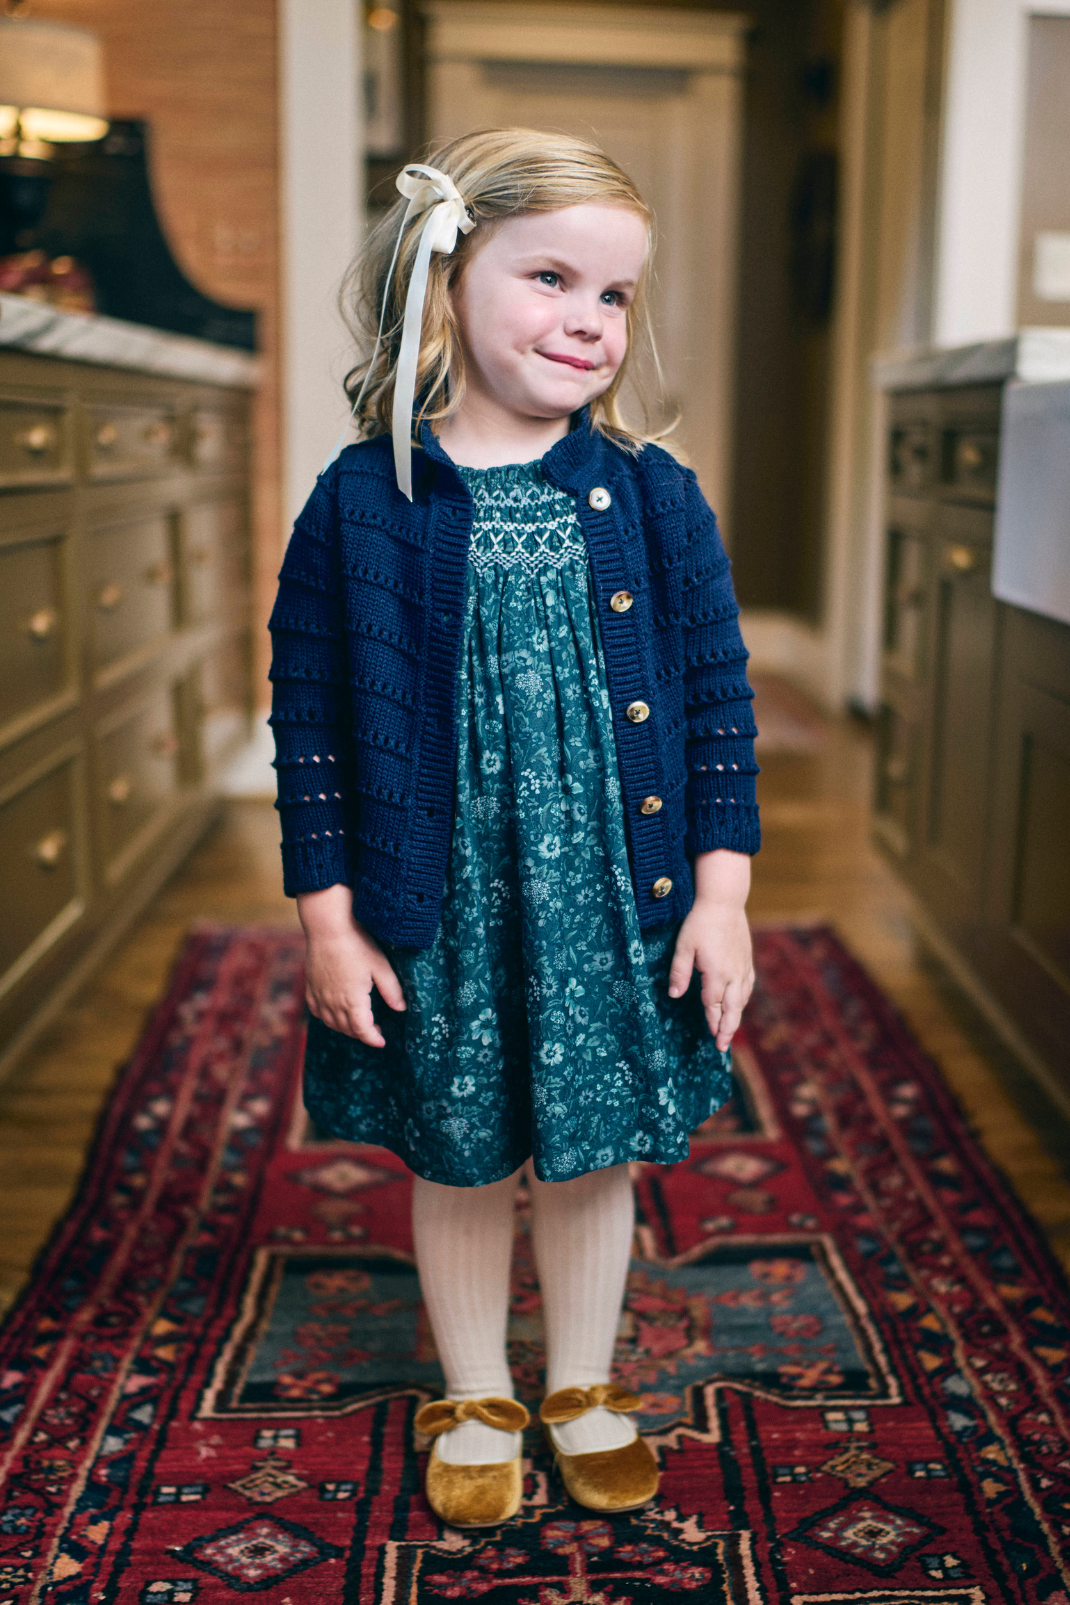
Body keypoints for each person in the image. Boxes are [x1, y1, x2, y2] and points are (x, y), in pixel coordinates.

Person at [268, 127, 760, 1529]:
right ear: (444, 283)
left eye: (614, 295)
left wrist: (720, 899)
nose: (588, 319)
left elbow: (718, 705)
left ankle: (583, 1385)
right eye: (550, 278)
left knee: (592, 1144)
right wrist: (329, 922)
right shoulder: (362, 500)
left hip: (608, 890)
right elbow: (309, 721)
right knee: (462, 1139)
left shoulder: (654, 498)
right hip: (442, 895)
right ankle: (479, 1390)